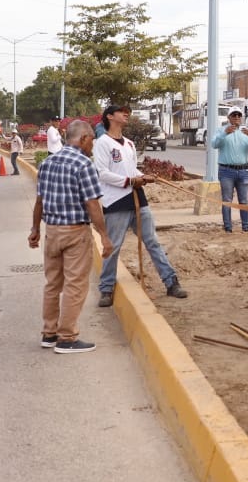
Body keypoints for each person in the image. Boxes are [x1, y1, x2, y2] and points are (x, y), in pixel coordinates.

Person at [28, 120, 112, 353]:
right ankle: (67, 338)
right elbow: (92, 203)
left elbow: (39, 201)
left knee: (53, 284)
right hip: (75, 232)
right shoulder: (84, 164)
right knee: (76, 285)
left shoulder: (47, 162)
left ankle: (49, 333)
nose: (92, 146)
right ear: (84, 138)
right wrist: (104, 235)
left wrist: (35, 230)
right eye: (92, 141)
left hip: (52, 232)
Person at [93, 104, 187, 305]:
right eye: (121, 111)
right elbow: (101, 173)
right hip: (115, 201)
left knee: (152, 241)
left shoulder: (128, 144)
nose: (126, 114)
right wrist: (128, 181)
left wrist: (142, 177)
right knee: (114, 246)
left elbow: (131, 169)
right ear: (110, 116)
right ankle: (106, 288)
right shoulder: (102, 143)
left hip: (137, 197)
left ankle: (171, 282)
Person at [211, 107, 248, 232]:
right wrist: (224, 133)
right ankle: (228, 228)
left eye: (239, 115)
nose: (237, 117)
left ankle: (246, 227)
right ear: (229, 118)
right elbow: (214, 144)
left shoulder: (245, 131)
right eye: (234, 115)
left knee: (244, 201)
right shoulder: (221, 130)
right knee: (227, 200)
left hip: (243, 172)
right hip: (226, 171)